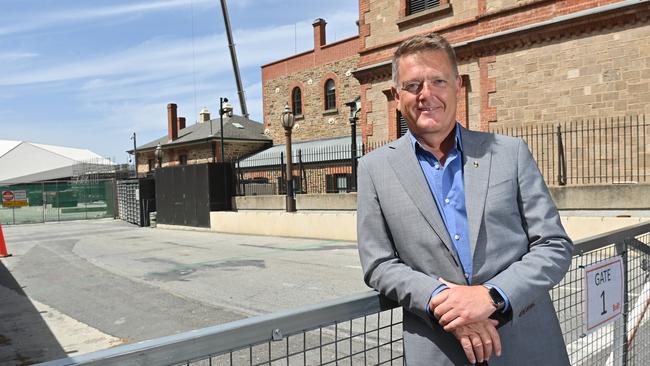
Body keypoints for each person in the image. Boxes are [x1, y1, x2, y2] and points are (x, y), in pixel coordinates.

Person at [356, 32, 574, 366]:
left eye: (438, 81)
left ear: (458, 85)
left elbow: (554, 246)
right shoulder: (373, 169)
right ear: (396, 96)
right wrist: (441, 299)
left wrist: (491, 296)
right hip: (439, 350)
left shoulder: (509, 154)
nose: (426, 95)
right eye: (413, 86)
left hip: (527, 345)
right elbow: (379, 264)